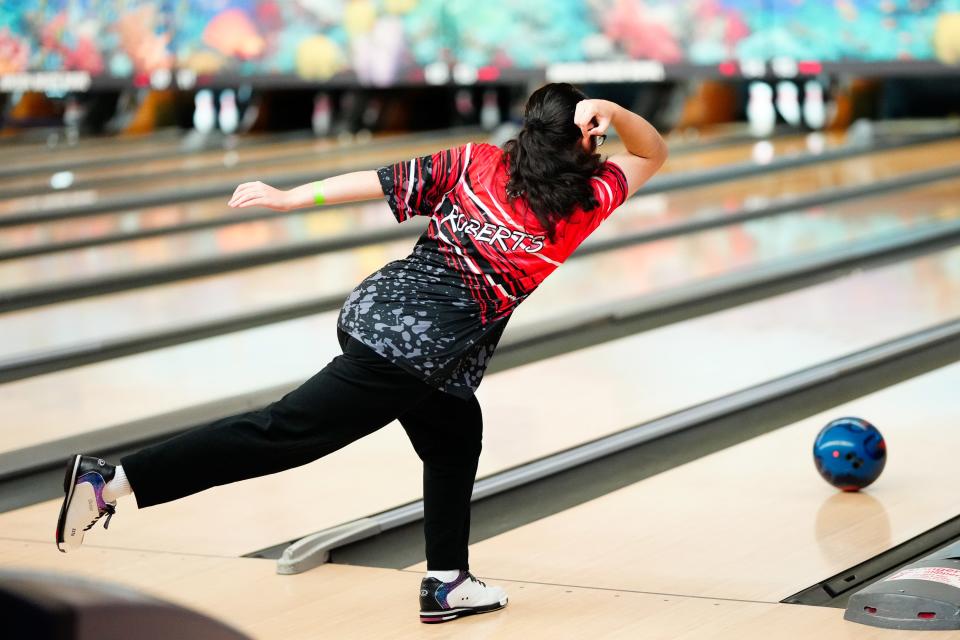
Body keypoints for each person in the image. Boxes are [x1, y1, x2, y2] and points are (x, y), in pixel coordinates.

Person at [55, 83, 668, 624]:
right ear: (588, 140)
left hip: (377, 313)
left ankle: (447, 581)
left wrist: (293, 198)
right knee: (284, 433)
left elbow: (377, 182)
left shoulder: (479, 162)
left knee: (455, 433)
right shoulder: (587, 202)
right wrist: (612, 109)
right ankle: (110, 482)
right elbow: (652, 152)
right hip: (408, 356)